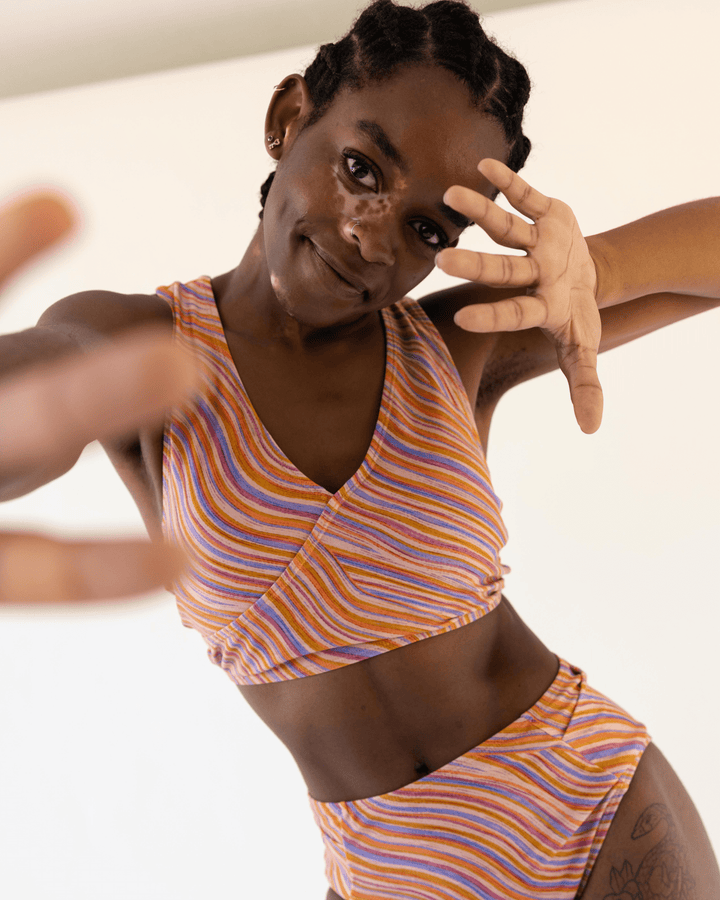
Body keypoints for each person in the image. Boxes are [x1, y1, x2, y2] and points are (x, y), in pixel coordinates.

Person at [1, 1, 718, 897]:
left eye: (426, 229)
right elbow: (26, 403)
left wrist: (601, 267)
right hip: (382, 866)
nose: (373, 233)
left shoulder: (459, 343)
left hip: (588, 804)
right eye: (360, 167)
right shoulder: (135, 349)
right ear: (288, 119)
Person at [0, 191, 198, 603]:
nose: (370, 238)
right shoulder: (140, 324)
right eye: (359, 170)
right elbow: (69, 357)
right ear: (283, 127)